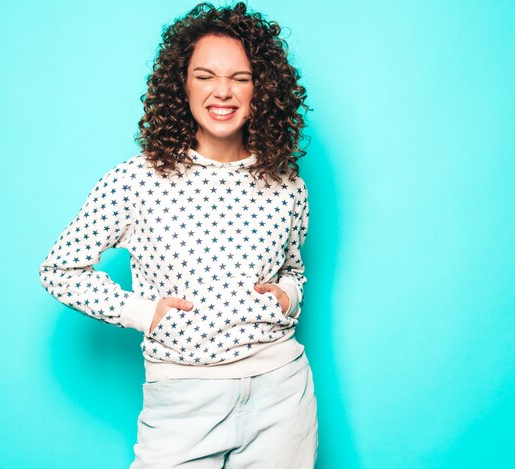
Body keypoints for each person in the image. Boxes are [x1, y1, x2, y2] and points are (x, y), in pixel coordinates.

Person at [38, 2, 318, 467]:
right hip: (183, 399)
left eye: (240, 78)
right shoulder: (136, 179)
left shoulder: (287, 182)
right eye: (205, 75)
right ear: (181, 84)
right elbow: (61, 269)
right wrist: (141, 312)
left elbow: (293, 268)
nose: (222, 91)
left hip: (282, 391)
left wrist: (287, 294)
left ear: (261, 90)